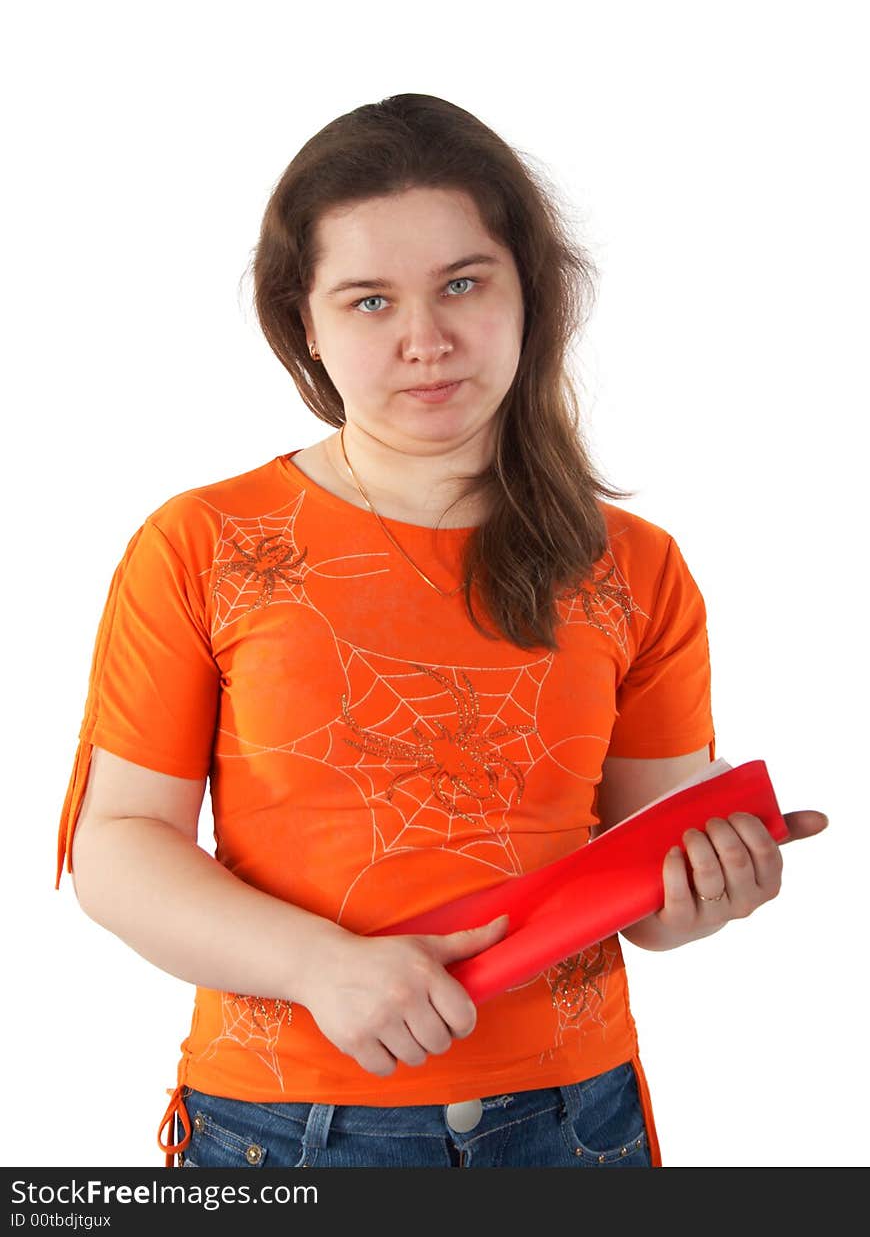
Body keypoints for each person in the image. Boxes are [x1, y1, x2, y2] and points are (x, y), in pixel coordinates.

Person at [55, 93, 828, 1170]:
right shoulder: (202, 542)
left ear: (530, 294)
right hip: (278, 1129)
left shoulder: (634, 565)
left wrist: (709, 891)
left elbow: (646, 891)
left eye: (463, 282)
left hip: (573, 1121)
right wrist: (315, 963)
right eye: (369, 300)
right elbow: (116, 848)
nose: (425, 340)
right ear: (305, 325)